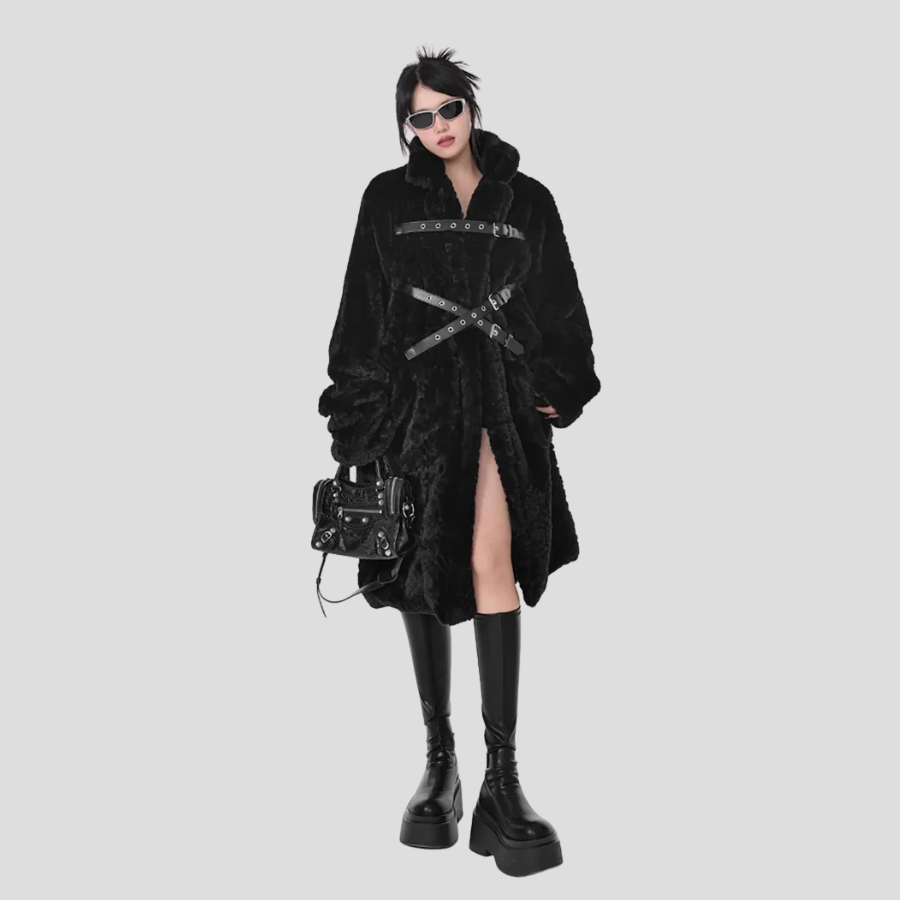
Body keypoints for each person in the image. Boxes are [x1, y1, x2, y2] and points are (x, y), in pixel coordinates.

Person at [317, 46, 601, 877]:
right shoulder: (386, 198)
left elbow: (563, 308)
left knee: (491, 563)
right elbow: (360, 315)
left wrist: (559, 384)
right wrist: (360, 426)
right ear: (406, 126)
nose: (438, 126)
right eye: (421, 116)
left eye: (449, 109)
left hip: (503, 415)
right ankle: (440, 765)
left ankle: (501, 782)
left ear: (471, 107)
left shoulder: (529, 198)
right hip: (417, 412)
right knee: (419, 565)